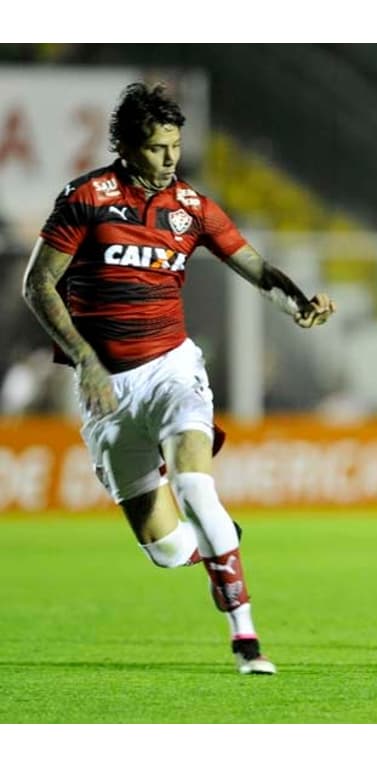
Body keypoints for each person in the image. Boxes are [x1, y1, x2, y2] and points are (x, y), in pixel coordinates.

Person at [21, 82, 336, 675]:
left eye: (176, 145)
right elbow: (38, 286)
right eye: (157, 147)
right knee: (167, 550)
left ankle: (246, 638)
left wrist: (297, 303)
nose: (170, 158)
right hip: (108, 390)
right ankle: (218, 543)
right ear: (124, 146)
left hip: (172, 369)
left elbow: (254, 264)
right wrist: (85, 359)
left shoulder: (191, 207)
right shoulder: (87, 198)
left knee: (196, 488)